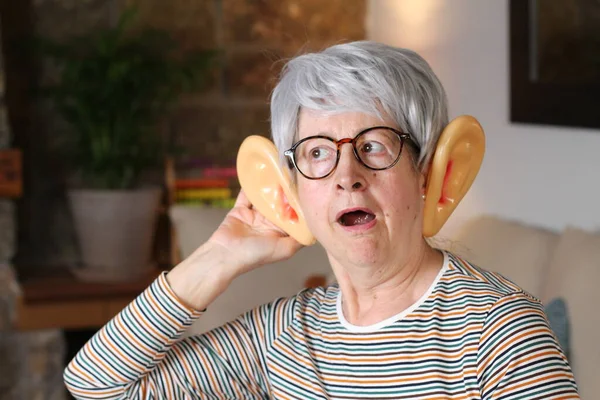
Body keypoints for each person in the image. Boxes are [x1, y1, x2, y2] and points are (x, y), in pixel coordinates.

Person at [64, 41, 579, 399]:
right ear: (292, 193)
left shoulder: (501, 330)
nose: (346, 176)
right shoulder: (284, 337)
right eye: (316, 153)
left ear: (427, 172)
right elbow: (96, 383)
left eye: (374, 146)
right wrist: (217, 257)